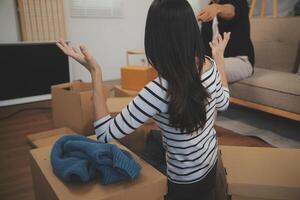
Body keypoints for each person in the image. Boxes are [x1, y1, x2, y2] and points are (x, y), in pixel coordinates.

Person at [57, 0, 230, 199]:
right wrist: (219, 57)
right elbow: (224, 102)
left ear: (155, 38)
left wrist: (95, 72)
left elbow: (105, 134)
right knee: (153, 138)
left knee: (139, 152)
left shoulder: (157, 90)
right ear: (191, 29)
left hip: (183, 185)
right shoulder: (208, 64)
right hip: (210, 168)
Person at [198, 0, 255, 83]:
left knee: (206, 70)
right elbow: (204, 48)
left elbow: (232, 11)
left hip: (242, 60)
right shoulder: (208, 9)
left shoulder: (237, 2)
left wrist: (216, 8)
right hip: (215, 60)